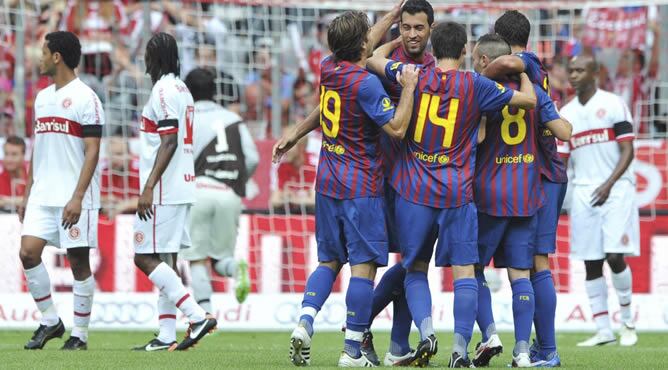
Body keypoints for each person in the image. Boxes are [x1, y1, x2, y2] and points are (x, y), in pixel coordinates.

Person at [367, 21, 537, 367]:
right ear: (464, 52)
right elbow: (529, 102)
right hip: (458, 193)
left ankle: (426, 331)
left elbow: (372, 58)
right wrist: (524, 70)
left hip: (414, 191)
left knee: (414, 268)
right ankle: (459, 350)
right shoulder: (477, 83)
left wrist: (399, 43)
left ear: (432, 48)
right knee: (464, 272)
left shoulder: (413, 73)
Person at [273, 8, 419, 367]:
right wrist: (410, 89)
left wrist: (396, 12)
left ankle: (306, 321)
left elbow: (324, 108)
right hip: (361, 186)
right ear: (362, 45)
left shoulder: (327, 67)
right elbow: (398, 128)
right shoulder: (365, 83)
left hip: (326, 182)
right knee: (364, 267)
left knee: (328, 261)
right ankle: (352, 350)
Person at [471, 34, 572, 368]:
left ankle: (489, 336)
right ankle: (524, 351)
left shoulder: (483, 91)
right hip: (527, 194)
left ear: (487, 59)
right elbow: (564, 132)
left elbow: (481, 136)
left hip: (489, 194)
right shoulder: (537, 93)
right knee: (522, 273)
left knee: (471, 270)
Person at [360, 0, 437, 366]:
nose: (411, 34)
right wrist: (391, 33)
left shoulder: (429, 70)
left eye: (419, 28)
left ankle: (393, 345)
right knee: (409, 263)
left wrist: (387, 44)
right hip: (386, 179)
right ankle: (363, 331)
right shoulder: (397, 68)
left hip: (416, 182)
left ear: (431, 29)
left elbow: (371, 56)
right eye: (406, 27)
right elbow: (366, 57)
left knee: (412, 262)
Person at [18, 31, 104, 350]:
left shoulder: (86, 98)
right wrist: (28, 194)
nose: (38, 57)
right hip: (43, 194)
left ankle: (79, 335)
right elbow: (38, 149)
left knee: (78, 262)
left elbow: (92, 151)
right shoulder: (42, 98)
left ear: (57, 57)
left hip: (73, 195)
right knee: (27, 252)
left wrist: (78, 196)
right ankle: (50, 321)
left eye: (43, 52)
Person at [131, 32, 216, 352]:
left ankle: (196, 317)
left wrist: (149, 186)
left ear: (156, 56)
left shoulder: (164, 89)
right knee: (167, 258)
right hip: (182, 184)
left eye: (148, 54)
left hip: (164, 188)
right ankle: (166, 334)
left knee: (144, 256)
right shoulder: (181, 88)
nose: (145, 60)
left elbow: (169, 140)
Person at [560, 55, 639, 348]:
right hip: (583, 191)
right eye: (571, 71)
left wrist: (609, 184)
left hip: (617, 189)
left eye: (580, 70)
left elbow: (628, 149)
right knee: (591, 262)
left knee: (615, 256)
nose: (574, 75)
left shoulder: (614, 103)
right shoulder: (565, 112)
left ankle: (629, 323)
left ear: (595, 73)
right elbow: (562, 159)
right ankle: (603, 329)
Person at [180, 67, 257, 313]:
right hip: (229, 193)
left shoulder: (188, 118)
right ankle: (236, 269)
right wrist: (236, 181)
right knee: (220, 258)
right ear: (215, 91)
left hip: (199, 190)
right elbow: (253, 158)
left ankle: (205, 315)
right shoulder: (233, 119)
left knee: (196, 259)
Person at [100, 136, 140, 219]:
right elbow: (98, 198)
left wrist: (125, 205)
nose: (115, 159)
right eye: (111, 155)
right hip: (114, 220)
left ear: (130, 154)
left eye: (119, 154)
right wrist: (105, 200)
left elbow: (151, 200)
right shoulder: (105, 171)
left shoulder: (140, 170)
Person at [0, 136, 28, 212]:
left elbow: (38, 200)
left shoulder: (32, 177)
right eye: (6, 154)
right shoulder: (1, 178)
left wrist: (6, 200)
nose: (9, 159)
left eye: (14, 154)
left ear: (23, 155)